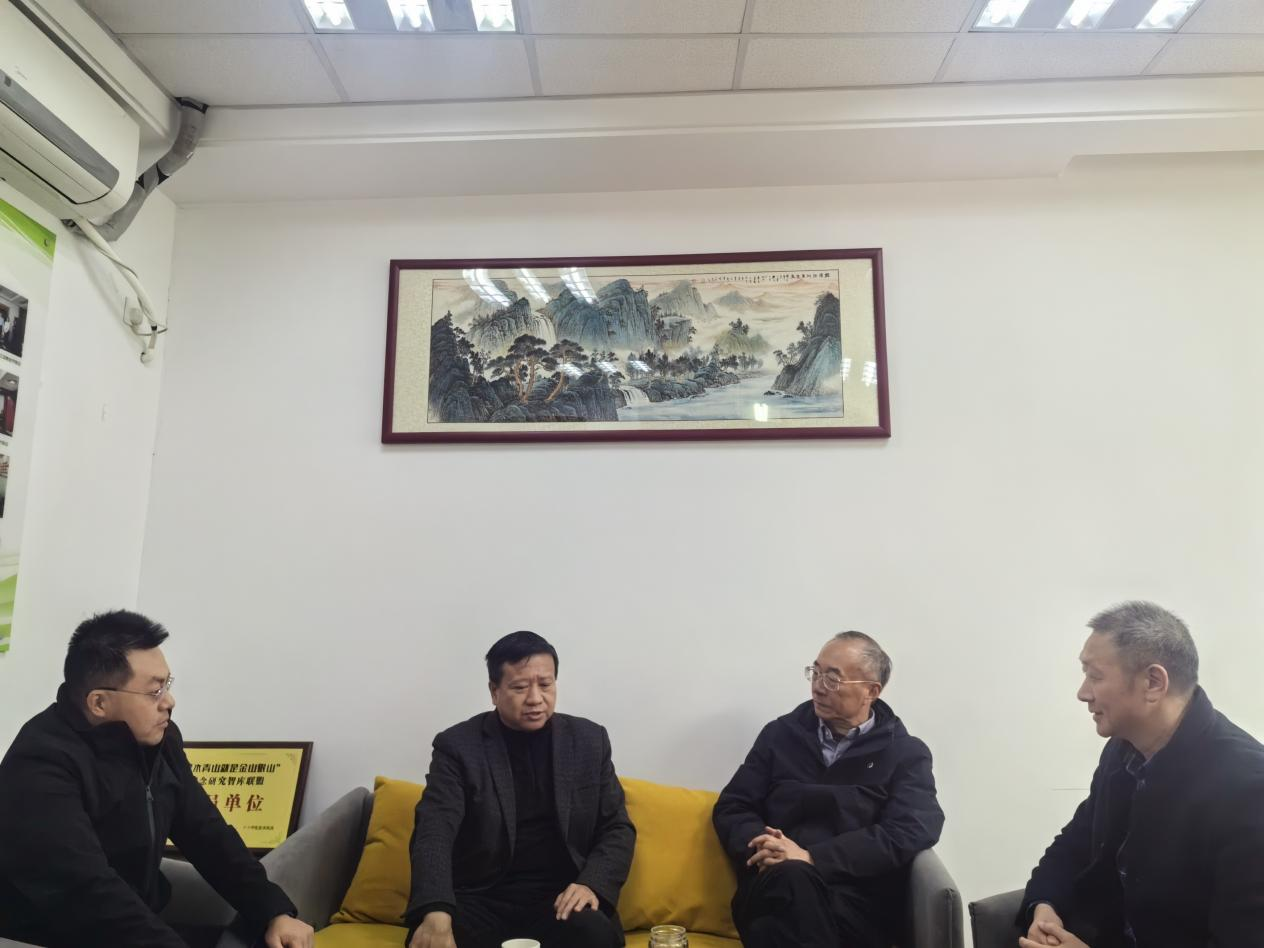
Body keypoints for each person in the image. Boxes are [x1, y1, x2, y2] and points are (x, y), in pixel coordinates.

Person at [0, 610, 313, 948]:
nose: (169, 702)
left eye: (167, 685)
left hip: (135, 925)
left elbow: (206, 833)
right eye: (154, 691)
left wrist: (274, 910)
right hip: (49, 935)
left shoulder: (159, 740)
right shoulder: (40, 763)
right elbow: (84, 890)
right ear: (99, 702)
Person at [1019, 601, 1264, 948]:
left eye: (1095, 676)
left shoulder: (1248, 790)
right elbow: (1075, 844)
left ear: (1153, 682)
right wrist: (1044, 907)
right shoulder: (1123, 752)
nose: (1083, 693)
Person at [713, 630, 944, 948]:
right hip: (772, 884)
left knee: (779, 921)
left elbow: (913, 827)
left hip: (854, 901)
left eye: (832, 679)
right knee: (790, 881)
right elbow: (733, 806)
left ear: (871, 691)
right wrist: (766, 848)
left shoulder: (904, 753)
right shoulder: (780, 736)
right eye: (816, 672)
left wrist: (813, 858)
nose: (818, 686)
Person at [405, 631, 635, 948]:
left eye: (546, 684)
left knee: (594, 934)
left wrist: (590, 884)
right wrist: (436, 910)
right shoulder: (457, 746)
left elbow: (616, 827)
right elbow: (434, 831)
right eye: (520, 687)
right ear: (494, 691)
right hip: (481, 898)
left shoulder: (588, 740)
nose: (535, 698)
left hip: (560, 898)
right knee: (431, 939)